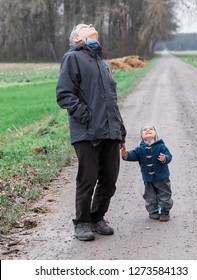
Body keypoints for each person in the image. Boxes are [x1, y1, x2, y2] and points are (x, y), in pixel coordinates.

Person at [56, 24, 126, 241]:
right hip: (87, 132)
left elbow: (111, 101)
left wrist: (120, 131)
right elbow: (64, 94)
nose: (91, 25)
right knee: (88, 178)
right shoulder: (72, 58)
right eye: (84, 26)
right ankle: (82, 222)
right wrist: (85, 116)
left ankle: (97, 218)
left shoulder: (103, 62)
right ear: (77, 39)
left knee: (109, 178)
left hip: (110, 132)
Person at [121, 125, 173, 221]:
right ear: (141, 136)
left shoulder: (161, 146)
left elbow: (169, 155)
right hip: (148, 179)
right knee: (149, 195)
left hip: (162, 177)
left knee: (165, 194)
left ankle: (165, 211)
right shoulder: (140, 149)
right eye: (144, 130)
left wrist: (165, 158)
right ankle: (153, 211)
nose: (148, 130)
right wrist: (126, 154)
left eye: (151, 129)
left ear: (155, 135)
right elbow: (132, 155)